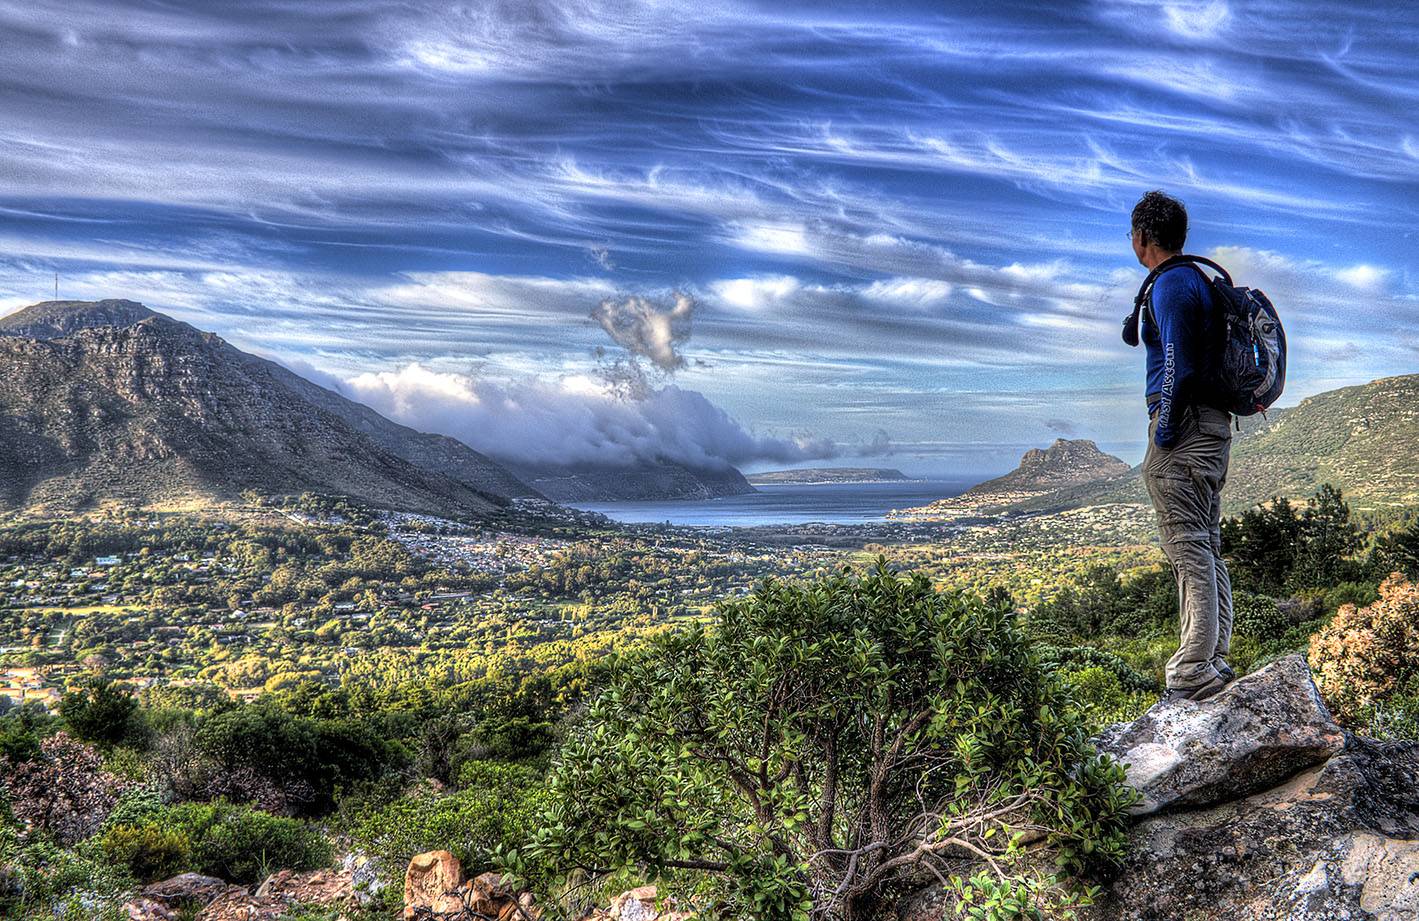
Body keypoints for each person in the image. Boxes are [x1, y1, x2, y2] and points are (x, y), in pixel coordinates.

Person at [1128, 190, 1235, 703]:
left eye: (1132, 234)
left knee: (1185, 543)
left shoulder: (1170, 285)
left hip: (1185, 430)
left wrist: (1165, 430)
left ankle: (1193, 667)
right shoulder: (1199, 280)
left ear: (1142, 237)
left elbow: (1176, 364)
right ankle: (1213, 656)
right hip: (1213, 429)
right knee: (1205, 542)